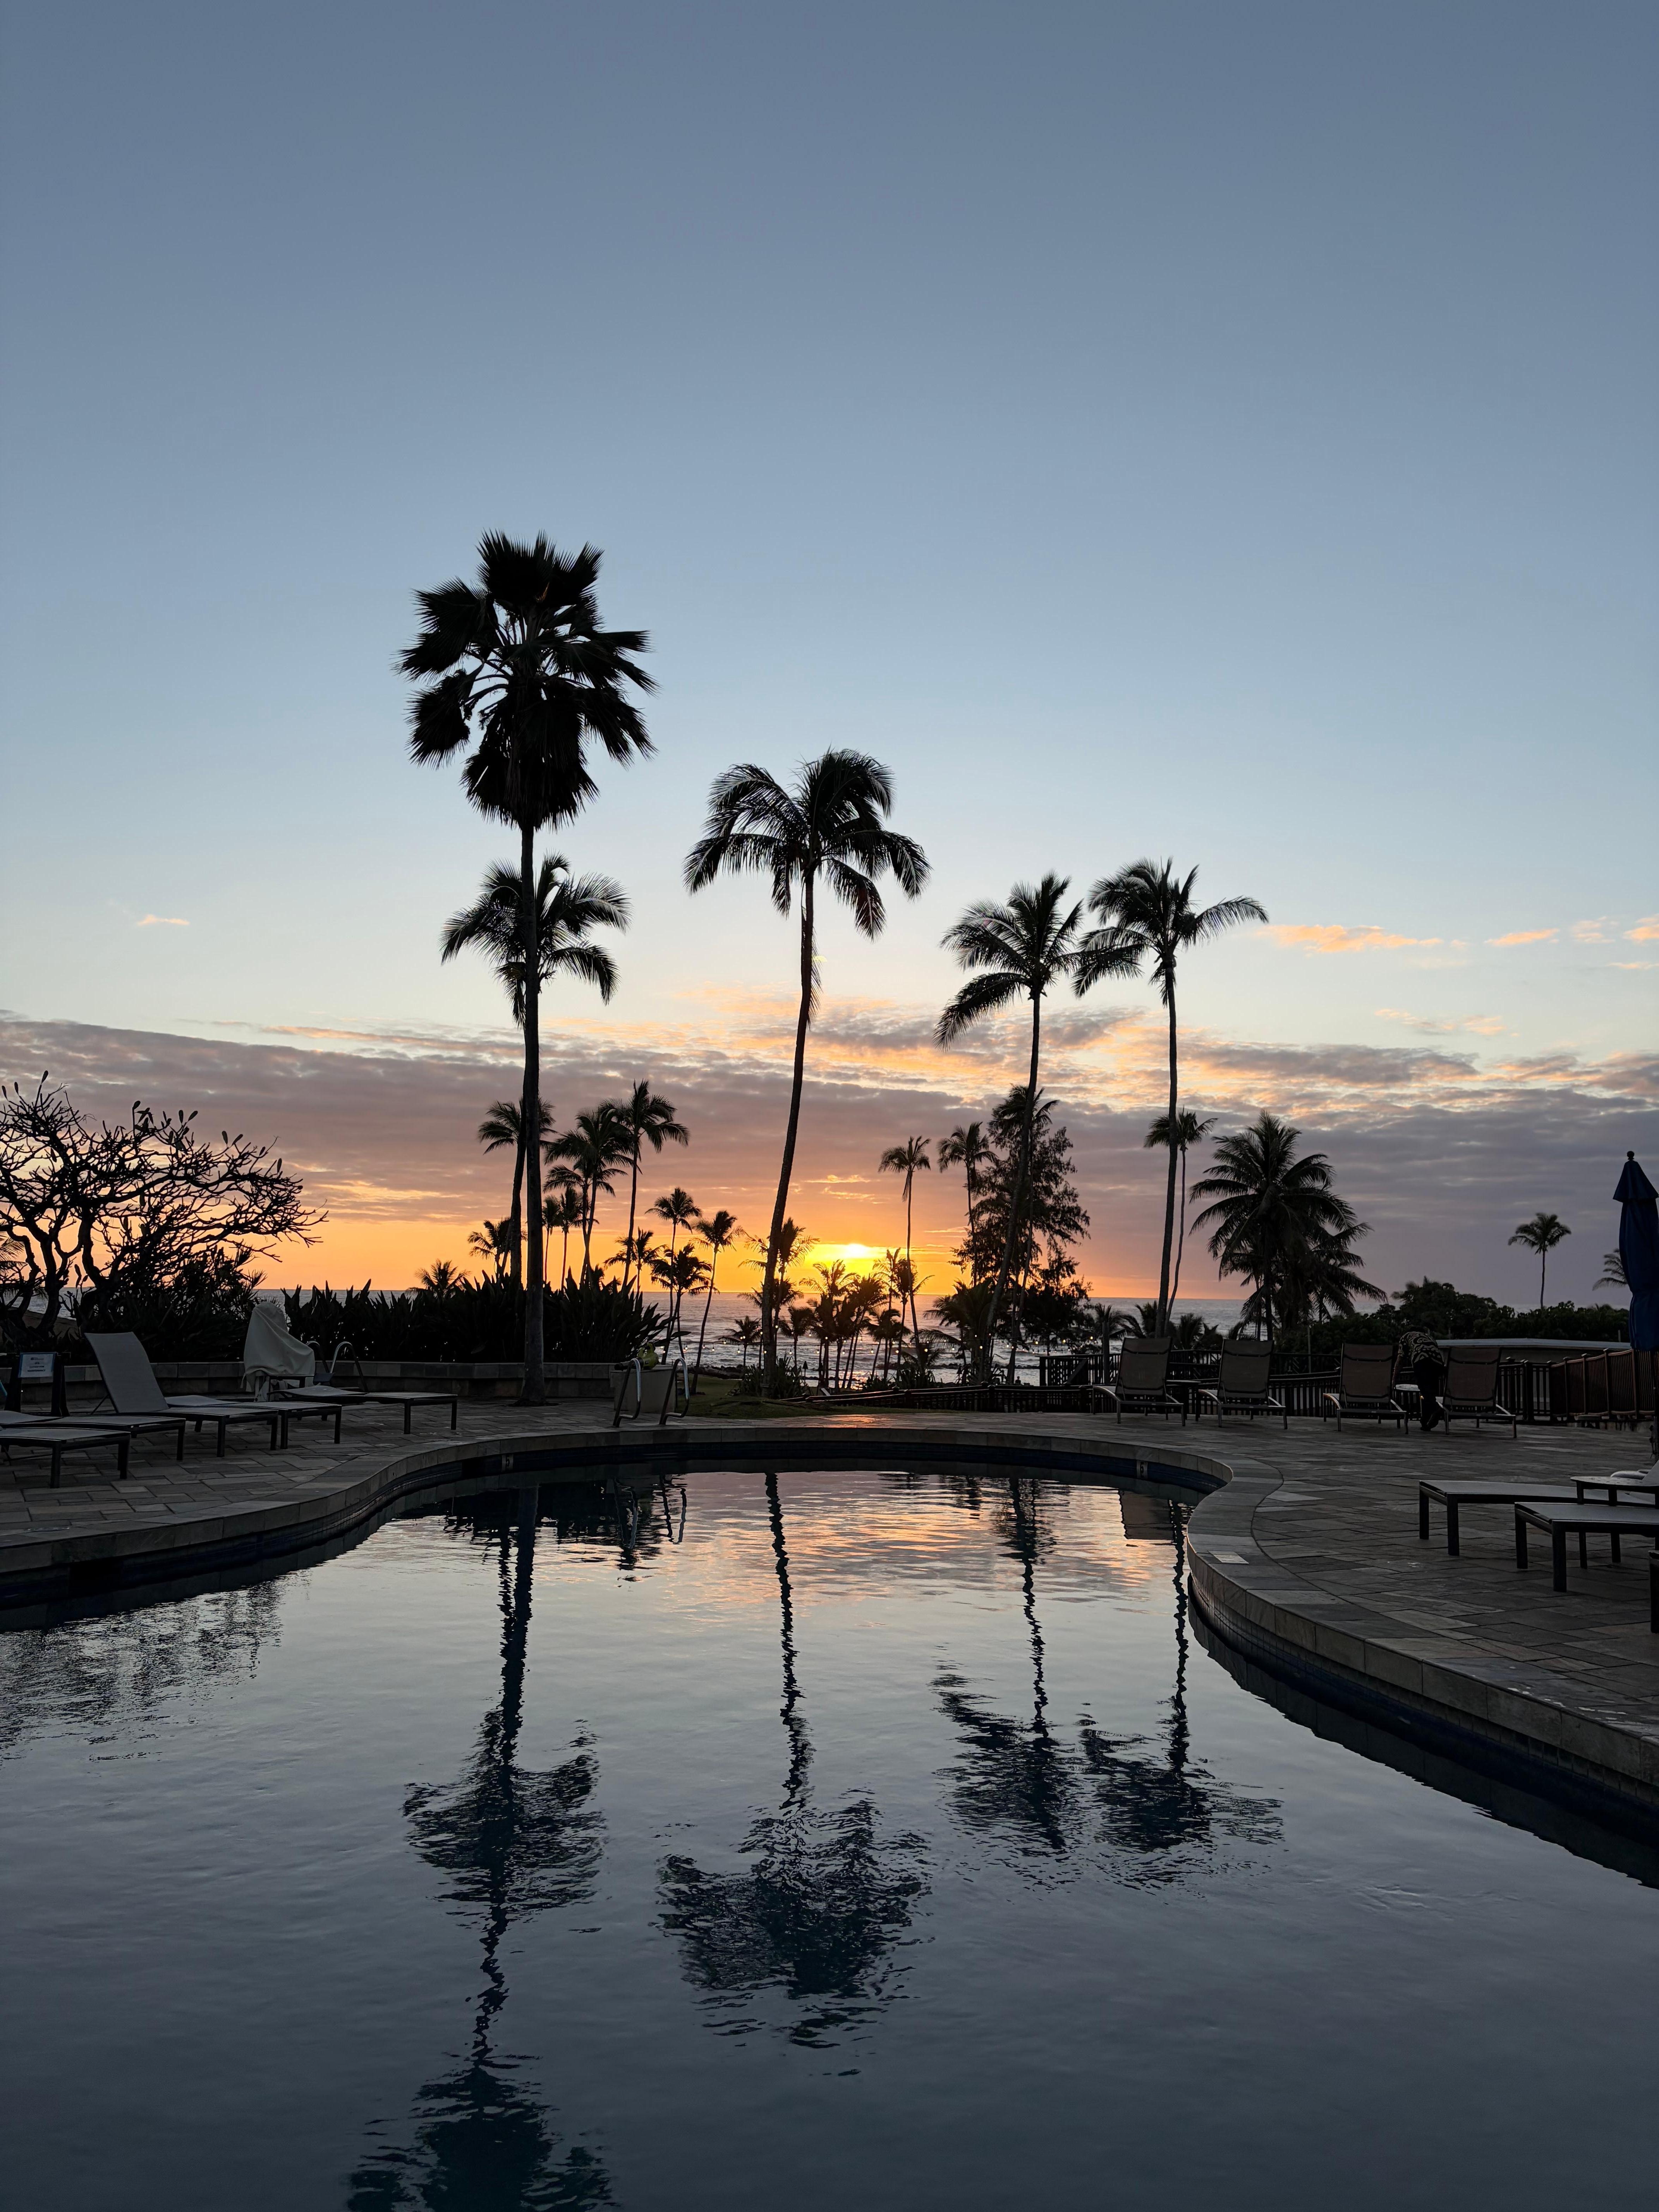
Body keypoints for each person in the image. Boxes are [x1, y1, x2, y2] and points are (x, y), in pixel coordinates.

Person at [1397, 1325, 1446, 1431]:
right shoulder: (1430, 1338)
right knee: (1429, 1393)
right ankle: (1425, 1422)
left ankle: (1436, 1409)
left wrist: (1394, 1377)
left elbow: (1400, 1359)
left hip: (1422, 1360)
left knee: (1424, 1389)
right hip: (1438, 1364)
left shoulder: (1406, 1336)